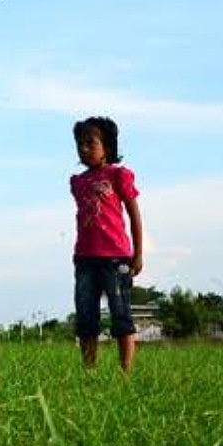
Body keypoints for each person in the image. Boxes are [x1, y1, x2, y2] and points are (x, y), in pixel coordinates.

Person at [71, 116, 143, 373]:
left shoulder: (118, 175)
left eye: (91, 142)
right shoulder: (77, 182)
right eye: (80, 143)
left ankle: (125, 373)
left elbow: (134, 213)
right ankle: (89, 371)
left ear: (108, 147)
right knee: (86, 317)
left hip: (115, 258)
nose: (84, 148)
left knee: (121, 315)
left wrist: (138, 253)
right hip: (85, 258)